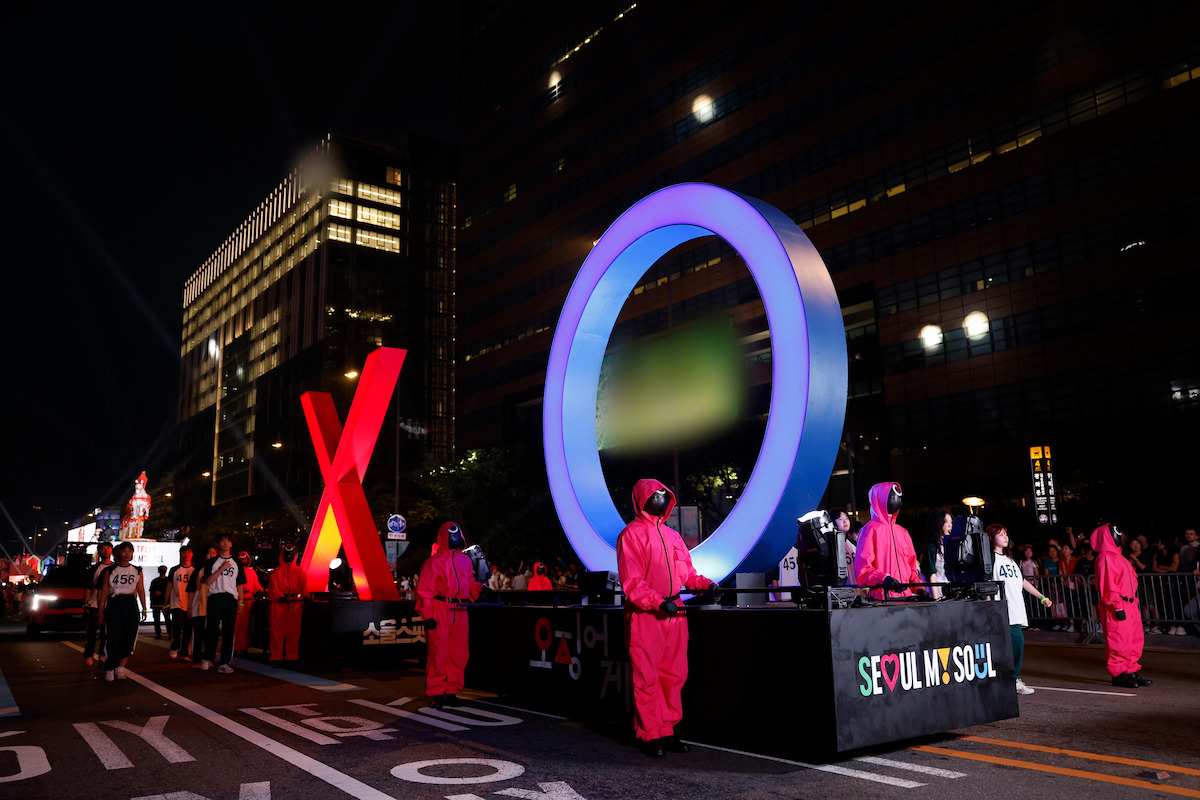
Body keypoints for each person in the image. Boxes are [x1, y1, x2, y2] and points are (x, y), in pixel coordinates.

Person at [617, 478, 717, 758]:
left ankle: (668, 730)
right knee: (646, 677)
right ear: (641, 499)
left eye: (664, 492)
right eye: (655, 493)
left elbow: (688, 573)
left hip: (676, 614)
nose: (661, 496)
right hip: (647, 616)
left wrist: (707, 584)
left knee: (674, 676)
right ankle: (649, 734)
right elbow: (632, 582)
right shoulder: (631, 535)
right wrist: (658, 602)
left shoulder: (673, 536)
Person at [416, 522, 483, 709]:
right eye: (451, 535)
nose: (454, 539)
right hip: (440, 609)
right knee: (438, 654)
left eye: (456, 535)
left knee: (459, 653)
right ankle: (436, 693)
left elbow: (469, 585)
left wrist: (480, 589)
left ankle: (451, 691)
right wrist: (428, 615)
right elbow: (425, 591)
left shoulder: (465, 561)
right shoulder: (432, 563)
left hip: (460, 609)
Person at [989, 524, 1052, 695]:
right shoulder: (990, 559)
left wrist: (1041, 597)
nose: (1005, 537)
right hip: (1001, 610)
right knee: (1016, 644)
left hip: (1016, 609)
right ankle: (1012, 679)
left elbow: (1023, 582)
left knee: (1012, 646)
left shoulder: (1011, 560)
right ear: (991, 538)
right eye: (1000, 534)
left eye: (1006, 534)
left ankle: (1008, 679)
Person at [1092, 523, 1152, 688]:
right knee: (1119, 641)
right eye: (1116, 532)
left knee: (1134, 640)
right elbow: (1108, 584)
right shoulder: (1106, 557)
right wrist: (1117, 606)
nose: (1120, 535)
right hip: (1117, 605)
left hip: (1130, 604)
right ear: (1108, 536)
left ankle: (1130, 671)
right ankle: (1118, 674)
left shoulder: (1119, 556)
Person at [851, 482, 924, 598]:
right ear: (880, 498)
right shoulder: (869, 531)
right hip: (882, 597)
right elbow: (863, 569)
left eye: (898, 496)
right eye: (891, 495)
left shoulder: (903, 532)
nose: (896, 499)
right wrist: (883, 579)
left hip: (907, 597)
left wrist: (919, 588)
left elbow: (912, 566)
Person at [96, 541, 146, 681]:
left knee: (129, 636)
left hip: (130, 603)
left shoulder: (137, 570)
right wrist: (100, 610)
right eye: (124, 551)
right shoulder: (110, 570)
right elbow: (105, 590)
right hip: (114, 602)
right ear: (118, 553)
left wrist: (144, 607)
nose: (127, 554)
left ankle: (121, 668)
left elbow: (140, 589)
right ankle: (110, 668)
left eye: (130, 551)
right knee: (113, 636)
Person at [199, 534, 246, 673]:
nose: (225, 543)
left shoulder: (237, 562)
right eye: (222, 541)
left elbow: (240, 584)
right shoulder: (211, 562)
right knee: (211, 629)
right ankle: (207, 658)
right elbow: (207, 581)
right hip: (215, 596)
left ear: (231, 544)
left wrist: (241, 602)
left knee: (228, 630)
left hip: (230, 598)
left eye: (228, 540)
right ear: (218, 544)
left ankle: (224, 662)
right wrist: (222, 569)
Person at [266, 543, 306, 665]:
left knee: (294, 632)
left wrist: (305, 596)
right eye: (286, 554)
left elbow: (305, 586)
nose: (289, 556)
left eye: (291, 554)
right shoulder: (276, 572)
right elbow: (273, 587)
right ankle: (276, 657)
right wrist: (279, 596)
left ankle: (292, 656)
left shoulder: (300, 571)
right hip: (279, 605)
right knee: (277, 632)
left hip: (295, 605)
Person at [83, 542, 114, 667]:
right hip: (94, 604)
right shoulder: (93, 569)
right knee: (91, 631)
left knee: (106, 632)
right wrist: (85, 603)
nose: (106, 550)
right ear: (99, 552)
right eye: (103, 548)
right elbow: (88, 588)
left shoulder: (115, 568)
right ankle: (89, 654)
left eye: (108, 548)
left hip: (110, 605)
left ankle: (103, 653)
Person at [186, 546, 216, 667]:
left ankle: (209, 658)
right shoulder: (198, 571)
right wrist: (189, 608)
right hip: (199, 606)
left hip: (213, 607)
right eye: (209, 553)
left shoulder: (221, 570)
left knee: (211, 635)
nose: (211, 555)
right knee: (198, 634)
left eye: (214, 553)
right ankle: (196, 659)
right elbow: (191, 591)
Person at [233, 551, 264, 654]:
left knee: (246, 625)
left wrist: (260, 591)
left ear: (248, 560)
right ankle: (236, 646)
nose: (243, 561)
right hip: (238, 599)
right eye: (241, 559)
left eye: (245, 559)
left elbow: (256, 585)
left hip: (248, 600)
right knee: (236, 624)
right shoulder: (234, 571)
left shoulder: (252, 572)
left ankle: (244, 646)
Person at [167, 546, 194, 660]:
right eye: (184, 552)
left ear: (192, 554)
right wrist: (165, 603)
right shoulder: (174, 570)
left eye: (188, 552)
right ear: (180, 555)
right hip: (176, 602)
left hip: (190, 603)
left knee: (188, 629)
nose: (186, 554)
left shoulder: (195, 570)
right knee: (177, 626)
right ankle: (175, 646)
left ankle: (184, 653)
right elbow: (169, 587)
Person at [920, 508, 951, 599]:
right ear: (938, 523)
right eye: (946, 522)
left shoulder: (948, 546)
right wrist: (935, 598)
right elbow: (931, 574)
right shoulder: (931, 548)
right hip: (936, 593)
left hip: (947, 592)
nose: (950, 526)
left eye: (951, 522)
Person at [148, 565, 171, 640]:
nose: (162, 571)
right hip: (157, 603)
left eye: (163, 570)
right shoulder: (155, 581)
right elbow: (151, 592)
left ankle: (169, 633)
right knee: (157, 620)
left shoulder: (168, 581)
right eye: (161, 570)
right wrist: (151, 602)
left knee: (167, 620)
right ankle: (158, 634)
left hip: (166, 603)